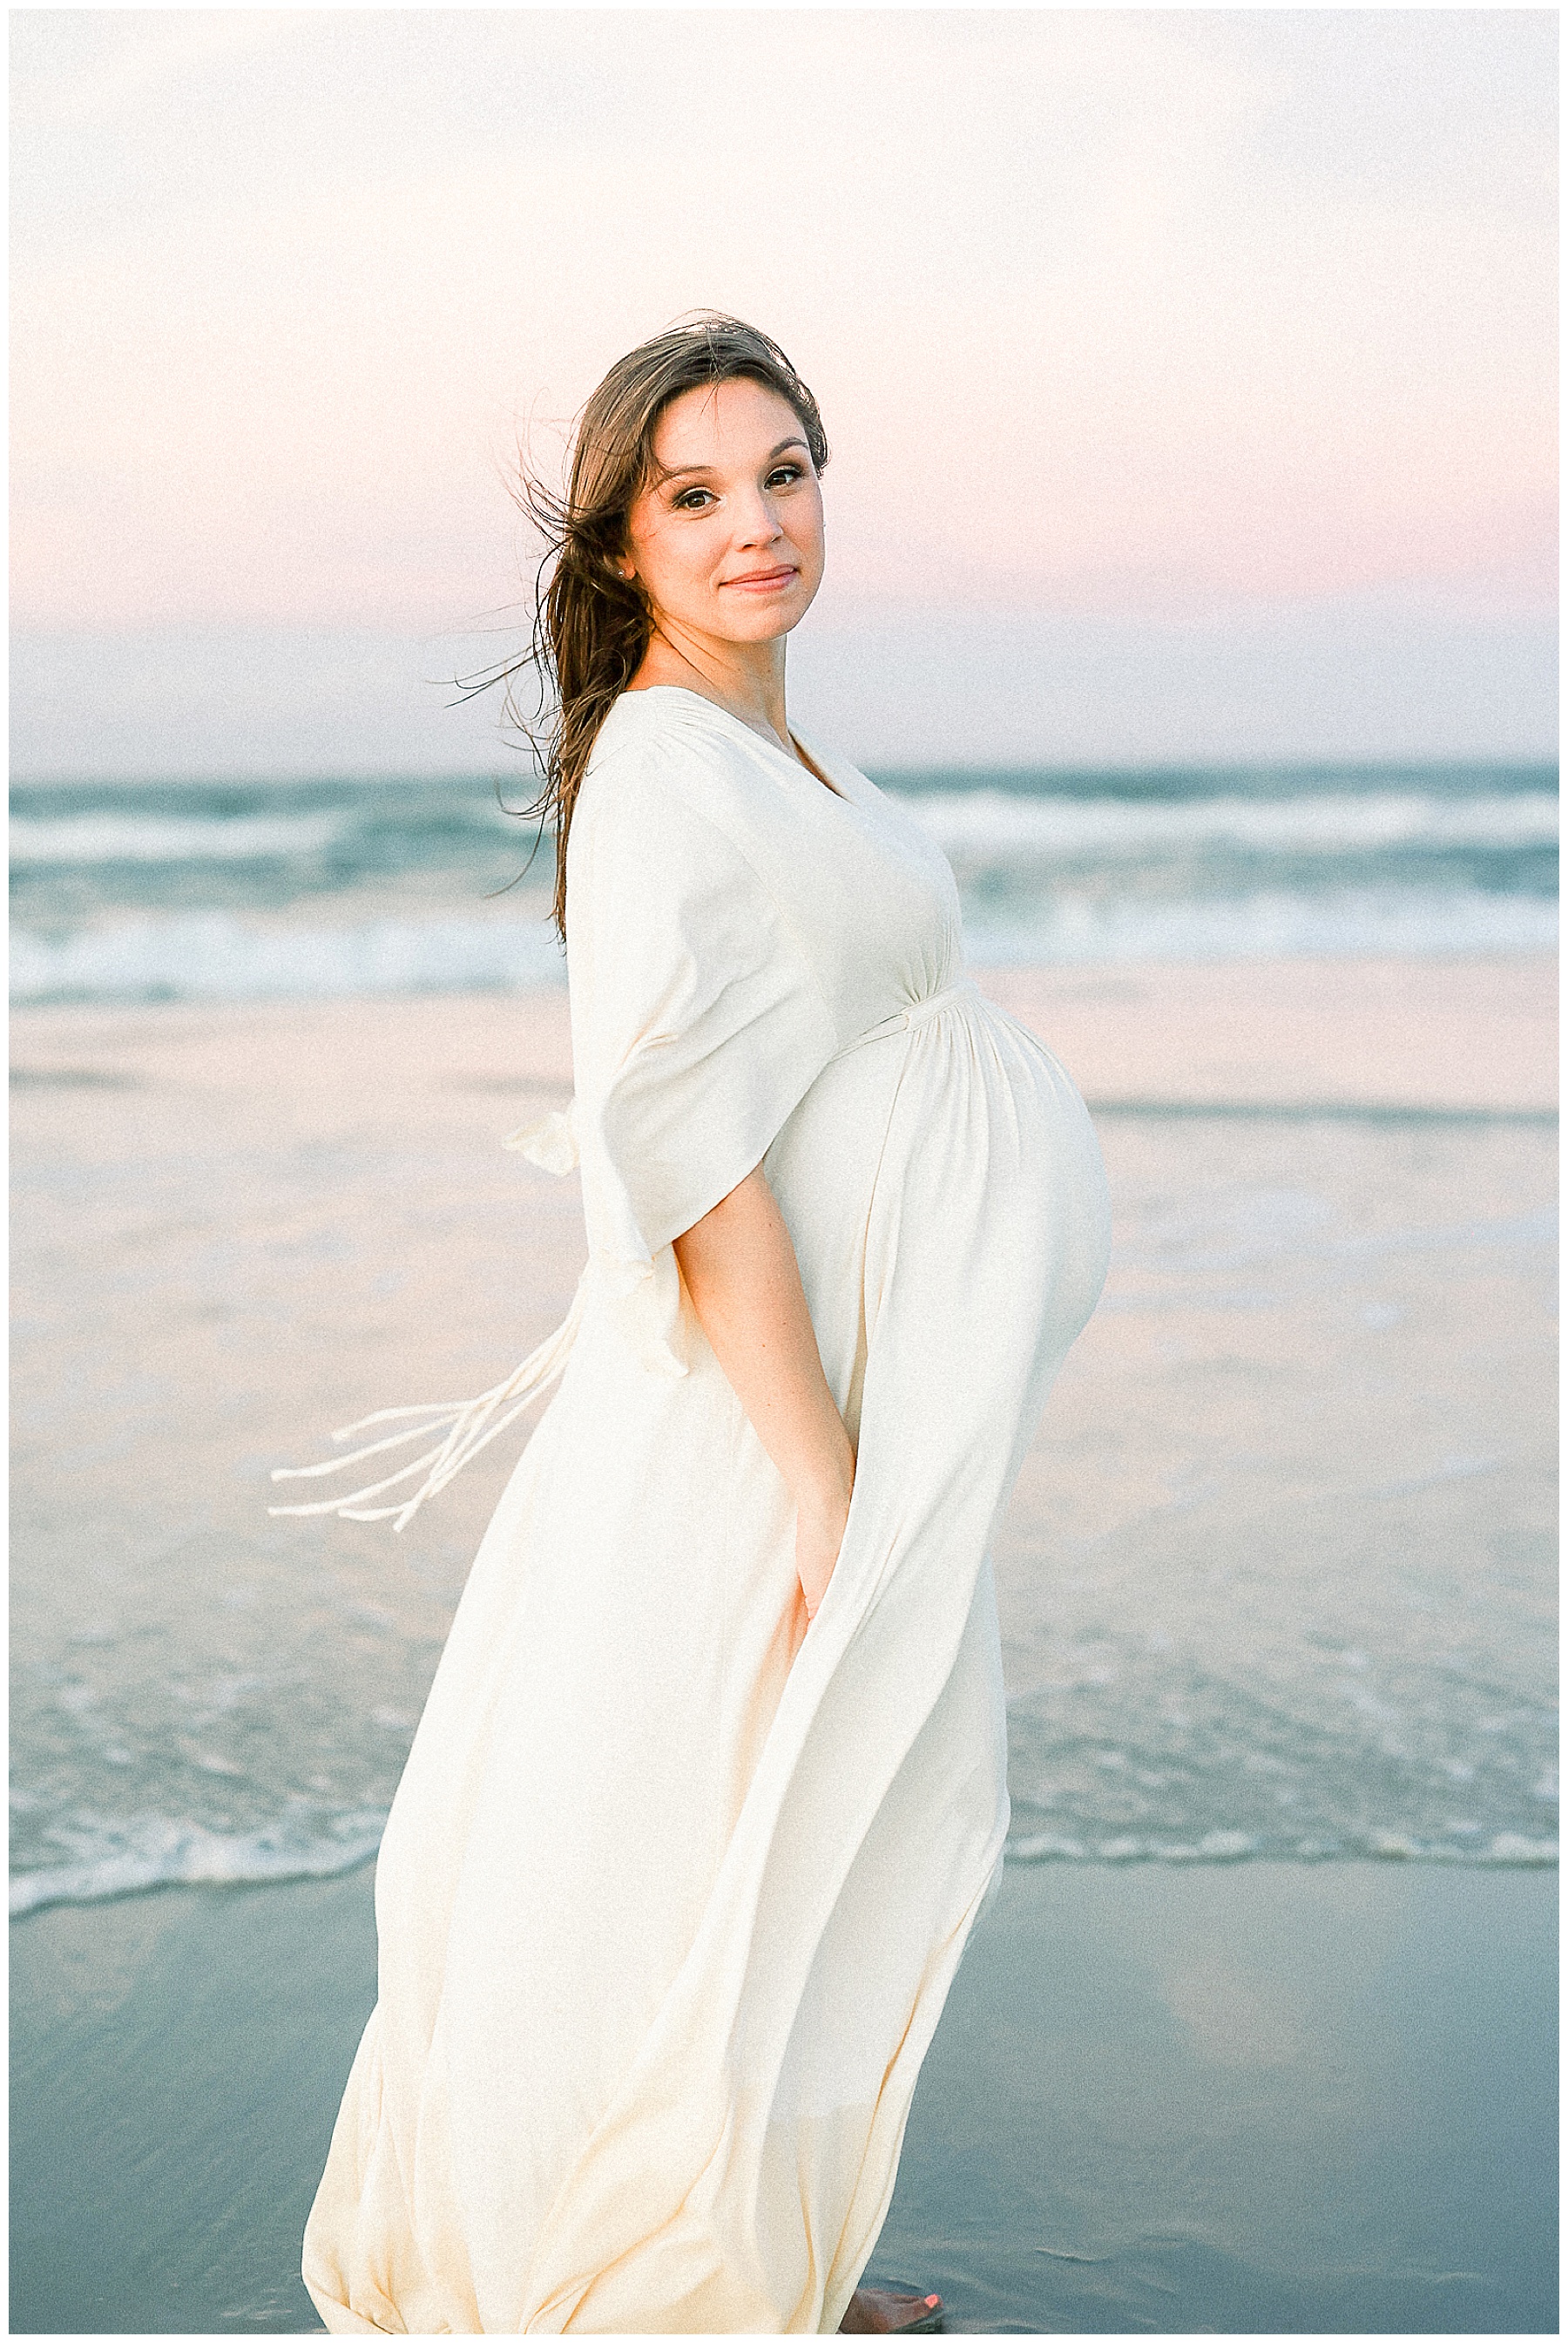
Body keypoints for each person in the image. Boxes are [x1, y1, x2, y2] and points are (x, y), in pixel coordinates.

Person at [273, 314, 1111, 2334]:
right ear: (622, 541)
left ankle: (749, 2262)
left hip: (828, 1408)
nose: (758, 524)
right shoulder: (660, 770)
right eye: (697, 492)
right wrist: (824, 1479)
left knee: (791, 1819)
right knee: (704, 1827)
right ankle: (657, 2287)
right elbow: (698, 1170)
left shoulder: (766, 747)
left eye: (785, 473)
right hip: (757, 1427)